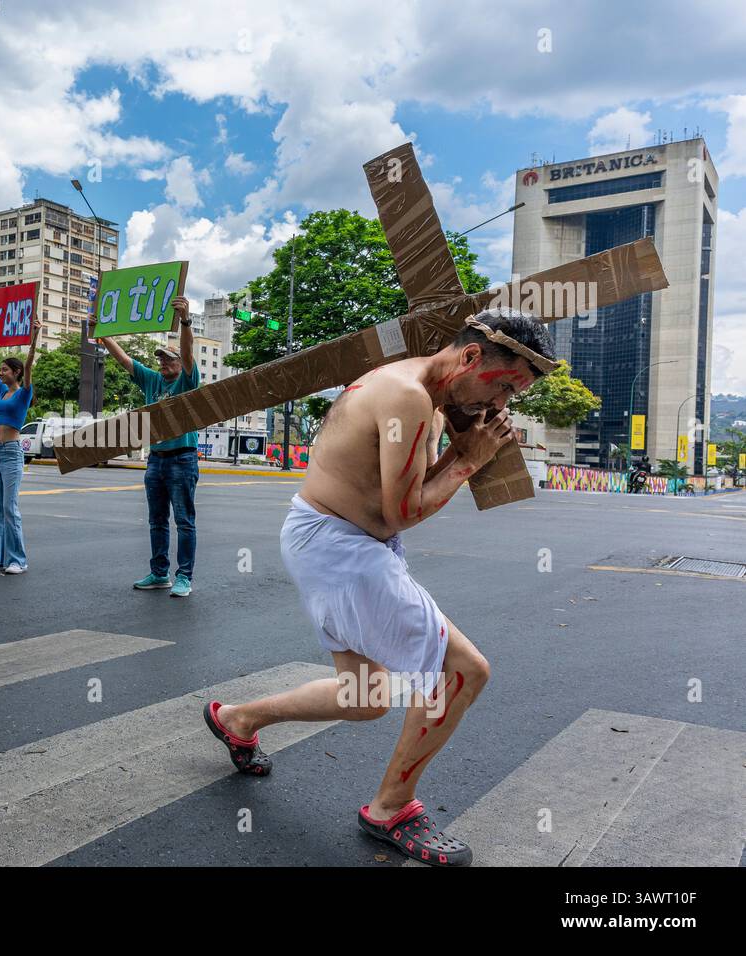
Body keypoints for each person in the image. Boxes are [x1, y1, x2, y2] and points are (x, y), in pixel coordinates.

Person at [203, 310, 558, 867]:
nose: (502, 405)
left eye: (515, 395)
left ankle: (237, 719)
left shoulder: (424, 391)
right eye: (504, 385)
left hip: (335, 540)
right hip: (341, 547)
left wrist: (462, 446)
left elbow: (405, 488)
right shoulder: (409, 398)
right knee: (463, 670)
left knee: (364, 698)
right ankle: (392, 808)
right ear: (469, 358)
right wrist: (468, 461)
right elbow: (402, 511)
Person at [96, 296, 199, 597]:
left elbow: (190, 353)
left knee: (184, 521)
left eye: (170, 358)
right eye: (161, 359)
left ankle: (184, 577)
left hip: (182, 459)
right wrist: (103, 336)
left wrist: (186, 321)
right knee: (156, 520)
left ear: (181, 363)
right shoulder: (153, 381)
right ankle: (159, 573)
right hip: (156, 460)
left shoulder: (187, 383)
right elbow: (126, 361)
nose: (164, 362)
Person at [0, 321, 40, 574]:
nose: (1, 372)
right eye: (1, 369)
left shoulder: (23, 393)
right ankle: (3, 555)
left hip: (12, 452)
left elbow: (29, 364)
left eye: (5, 370)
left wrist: (34, 336)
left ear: (16, 372)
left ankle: (18, 560)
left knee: (9, 507)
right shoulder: (2, 391)